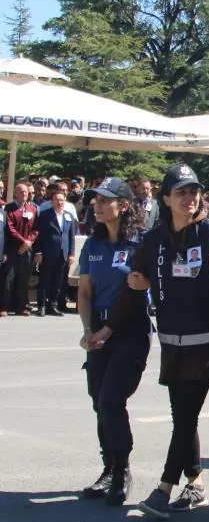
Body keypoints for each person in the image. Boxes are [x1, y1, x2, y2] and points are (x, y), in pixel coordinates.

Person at [103, 163, 209, 518]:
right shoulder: (154, 240)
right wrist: (108, 328)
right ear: (165, 198)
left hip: (207, 345)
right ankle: (195, 483)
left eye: (194, 191)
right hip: (172, 344)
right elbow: (134, 286)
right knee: (183, 416)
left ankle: (163, 489)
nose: (190, 197)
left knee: (185, 417)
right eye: (181, 192)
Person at [76, 178, 153, 505]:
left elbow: (138, 293)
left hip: (130, 331)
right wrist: (87, 329)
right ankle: (108, 467)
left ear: (123, 205)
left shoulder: (139, 244)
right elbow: (84, 292)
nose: (97, 206)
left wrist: (109, 330)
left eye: (105, 200)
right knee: (98, 401)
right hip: (99, 329)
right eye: (95, 201)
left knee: (110, 400)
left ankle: (121, 469)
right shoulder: (92, 246)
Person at [32, 182, 77, 317]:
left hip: (62, 254)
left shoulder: (68, 215)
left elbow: (71, 236)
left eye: (62, 200)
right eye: (57, 200)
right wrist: (38, 252)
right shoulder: (45, 215)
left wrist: (71, 253)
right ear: (51, 201)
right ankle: (41, 306)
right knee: (45, 280)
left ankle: (53, 305)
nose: (59, 203)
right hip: (47, 253)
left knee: (58, 281)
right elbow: (39, 235)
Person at [3, 182, 38, 316]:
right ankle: (4, 306)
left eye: (26, 192)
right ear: (15, 193)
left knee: (24, 279)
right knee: (8, 278)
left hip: (27, 249)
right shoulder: (9, 209)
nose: (25, 194)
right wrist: (23, 241)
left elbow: (36, 228)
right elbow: (10, 228)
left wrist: (29, 242)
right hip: (12, 249)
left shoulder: (32, 209)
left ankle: (21, 306)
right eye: (21, 192)